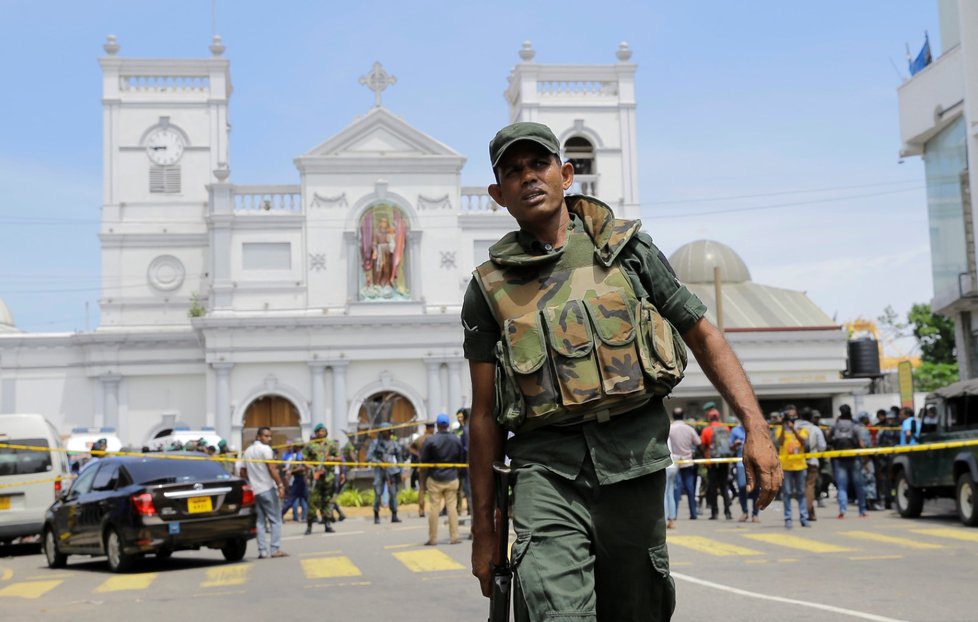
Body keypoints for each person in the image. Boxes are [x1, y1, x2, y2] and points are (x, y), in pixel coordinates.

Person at [463, 122, 782, 621]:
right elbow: (483, 416)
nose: (528, 177)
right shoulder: (487, 287)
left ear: (565, 174)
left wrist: (756, 429)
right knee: (556, 613)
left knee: (637, 610)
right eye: (512, 171)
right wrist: (484, 531)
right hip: (546, 472)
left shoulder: (627, 250)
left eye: (538, 164)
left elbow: (702, 334)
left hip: (633, 466)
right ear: (497, 195)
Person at [241, 426, 288, 558]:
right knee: (276, 520)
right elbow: (272, 468)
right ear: (258, 437)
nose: (269, 438)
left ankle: (262, 550)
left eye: (270, 436)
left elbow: (242, 472)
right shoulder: (266, 449)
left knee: (260, 521)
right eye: (266, 436)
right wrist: (280, 485)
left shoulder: (248, 451)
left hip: (255, 491)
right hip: (267, 488)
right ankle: (274, 549)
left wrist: (251, 481)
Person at [421, 413, 465, 545]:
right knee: (452, 507)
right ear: (447, 425)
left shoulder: (431, 440)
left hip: (435, 478)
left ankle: (433, 538)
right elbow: (461, 458)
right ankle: (454, 537)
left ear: (437, 425)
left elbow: (424, 459)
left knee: (434, 508)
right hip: (451, 477)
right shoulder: (456, 439)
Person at [828, 405, 867, 518]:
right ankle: (862, 510)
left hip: (840, 459)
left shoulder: (836, 425)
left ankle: (842, 511)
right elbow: (861, 443)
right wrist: (866, 458)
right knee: (859, 485)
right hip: (855, 458)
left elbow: (829, 438)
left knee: (842, 487)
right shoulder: (855, 425)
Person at [775, 410, 810, 528]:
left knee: (801, 493)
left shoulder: (801, 429)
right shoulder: (781, 429)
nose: (791, 420)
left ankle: (804, 518)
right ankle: (788, 518)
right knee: (787, 493)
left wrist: (793, 429)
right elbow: (779, 442)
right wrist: (784, 428)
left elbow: (803, 441)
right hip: (786, 466)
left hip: (800, 465)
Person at [699, 404, 733, 520]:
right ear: (718, 417)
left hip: (712, 461)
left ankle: (714, 512)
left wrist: (706, 454)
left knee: (712, 487)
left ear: (709, 418)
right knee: (724, 486)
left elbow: (703, 445)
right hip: (724, 460)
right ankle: (728, 512)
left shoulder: (707, 430)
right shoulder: (726, 428)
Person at [668, 407, 701, 523]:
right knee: (690, 488)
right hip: (687, 461)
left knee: (675, 488)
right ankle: (693, 513)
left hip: (674, 461)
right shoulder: (689, 429)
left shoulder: (670, 428)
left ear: (673, 416)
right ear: (683, 416)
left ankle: (674, 514)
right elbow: (699, 442)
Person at [305, 424, 339, 534]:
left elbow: (340, 458)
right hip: (315, 478)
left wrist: (331, 458)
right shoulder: (310, 445)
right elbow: (304, 460)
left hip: (328, 477)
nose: (321, 433)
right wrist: (314, 469)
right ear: (316, 433)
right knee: (312, 501)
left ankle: (327, 524)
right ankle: (309, 525)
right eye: (319, 431)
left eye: (323, 431)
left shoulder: (331, 444)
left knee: (327, 501)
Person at [368, 422, 403, 524]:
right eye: (383, 431)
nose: (385, 433)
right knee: (378, 492)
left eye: (386, 431)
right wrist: (379, 462)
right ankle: (376, 514)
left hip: (391, 470)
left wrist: (400, 470)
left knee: (393, 493)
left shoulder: (394, 444)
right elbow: (369, 457)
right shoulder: (375, 443)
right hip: (380, 470)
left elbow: (400, 458)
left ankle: (394, 514)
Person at [795, 406, 826, 521]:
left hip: (796, 461)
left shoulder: (794, 428)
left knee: (799, 488)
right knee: (809, 487)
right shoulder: (815, 429)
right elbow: (822, 447)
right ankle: (808, 512)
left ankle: (807, 512)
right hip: (812, 461)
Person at [730, 421, 760, 522]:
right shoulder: (735, 431)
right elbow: (731, 448)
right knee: (742, 487)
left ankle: (755, 514)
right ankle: (745, 512)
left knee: (756, 489)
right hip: (741, 464)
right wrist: (735, 444)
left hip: (755, 464)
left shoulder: (756, 431)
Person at [409, 422, 435, 516]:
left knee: (422, 488)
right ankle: (434, 509)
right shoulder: (434, 439)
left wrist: (419, 455)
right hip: (432, 466)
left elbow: (411, 448)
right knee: (433, 488)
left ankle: (421, 510)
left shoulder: (420, 439)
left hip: (422, 465)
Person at [281, 439, 308, 523]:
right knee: (292, 500)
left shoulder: (298, 455)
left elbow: (300, 467)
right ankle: (279, 515)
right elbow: (301, 468)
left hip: (301, 479)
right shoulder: (297, 455)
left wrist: (291, 472)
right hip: (299, 479)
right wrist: (290, 473)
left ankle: (310, 516)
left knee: (308, 499)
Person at [455, 407, 472, 516]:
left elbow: (464, 449)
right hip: (474, 465)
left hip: (466, 466)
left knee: (469, 493)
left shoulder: (466, 430)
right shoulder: (472, 428)